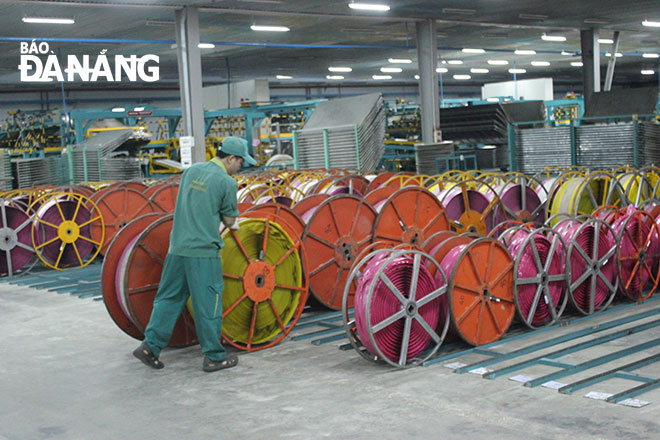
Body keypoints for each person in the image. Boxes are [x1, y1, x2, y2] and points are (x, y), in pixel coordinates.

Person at [133, 136, 257, 372]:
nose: (241, 167)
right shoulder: (227, 182)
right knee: (208, 304)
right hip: (203, 252)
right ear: (231, 158)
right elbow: (231, 221)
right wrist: (237, 224)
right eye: (240, 162)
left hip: (177, 247)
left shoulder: (191, 172)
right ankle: (214, 356)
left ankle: (150, 347)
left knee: (168, 299)